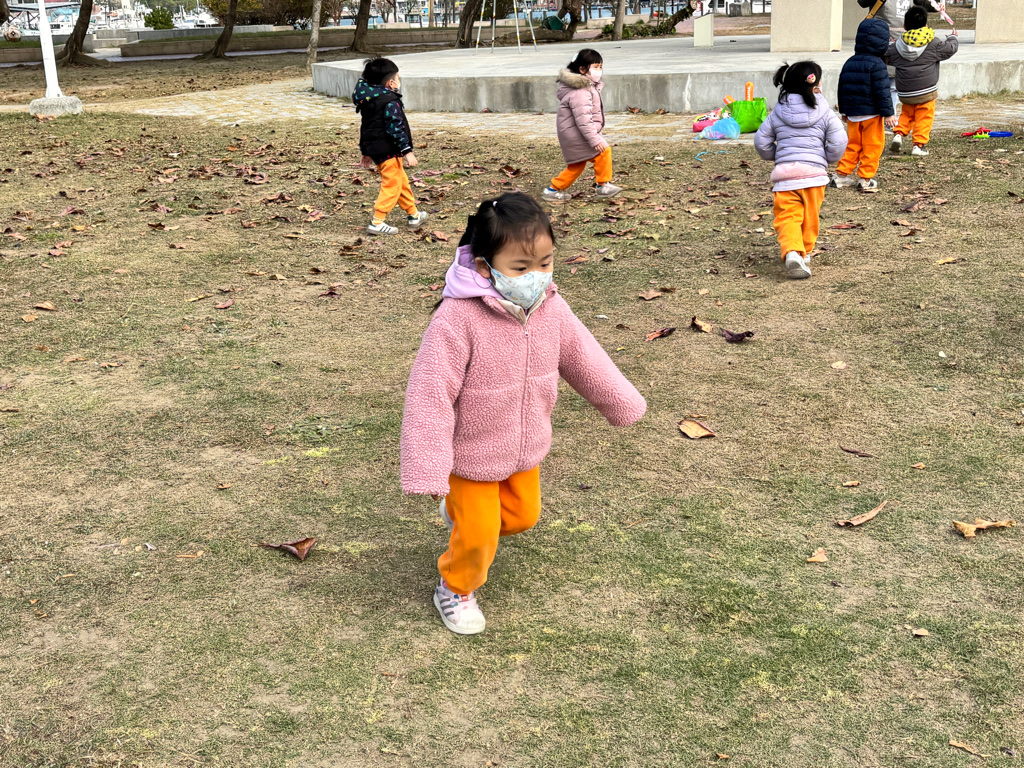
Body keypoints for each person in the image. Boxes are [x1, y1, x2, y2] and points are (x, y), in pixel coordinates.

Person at [400, 192, 647, 635]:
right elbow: (430, 393)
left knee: (522, 517)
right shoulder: (457, 318)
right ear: (484, 267)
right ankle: (455, 587)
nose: (536, 276)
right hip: (471, 454)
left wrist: (620, 401)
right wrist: (427, 464)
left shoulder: (552, 306)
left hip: (525, 446)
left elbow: (584, 357)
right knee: (480, 533)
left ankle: (457, 512)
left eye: (545, 263)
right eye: (520, 268)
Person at [755, 61, 847, 280]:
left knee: (787, 216)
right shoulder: (825, 111)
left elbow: (761, 142)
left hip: (786, 177)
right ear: (816, 84)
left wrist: (777, 156)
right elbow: (839, 141)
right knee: (810, 217)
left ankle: (793, 251)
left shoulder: (777, 112)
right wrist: (826, 159)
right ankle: (804, 251)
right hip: (814, 176)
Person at [352, 57, 429, 236]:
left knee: (401, 181)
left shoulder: (369, 100)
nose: (399, 81)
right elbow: (395, 129)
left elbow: (368, 128)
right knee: (392, 184)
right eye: (397, 78)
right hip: (389, 151)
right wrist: (407, 151)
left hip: (378, 150)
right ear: (390, 82)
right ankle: (377, 221)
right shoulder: (389, 101)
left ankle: (413, 214)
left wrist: (366, 152)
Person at [542, 49, 622, 202]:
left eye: (600, 66)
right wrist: (595, 139)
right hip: (577, 134)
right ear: (582, 70)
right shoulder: (581, 92)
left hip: (573, 133)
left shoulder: (586, 87)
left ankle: (552, 190)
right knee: (604, 151)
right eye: (595, 67)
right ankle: (603, 185)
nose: (599, 70)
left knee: (577, 165)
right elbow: (584, 120)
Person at [885, 5, 958, 157]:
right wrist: (953, 37)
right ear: (926, 24)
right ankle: (918, 145)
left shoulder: (898, 44)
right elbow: (950, 49)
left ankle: (898, 134)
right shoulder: (933, 43)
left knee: (907, 113)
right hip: (926, 91)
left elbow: (886, 55)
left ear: (904, 26)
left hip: (905, 91)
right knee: (924, 117)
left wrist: (887, 44)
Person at [833, 18, 897, 191]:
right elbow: (883, 92)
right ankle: (865, 178)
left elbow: (842, 88)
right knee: (872, 146)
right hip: (872, 114)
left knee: (852, 145)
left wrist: (844, 111)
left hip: (853, 115)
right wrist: (889, 113)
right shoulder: (878, 64)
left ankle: (841, 175)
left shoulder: (849, 62)